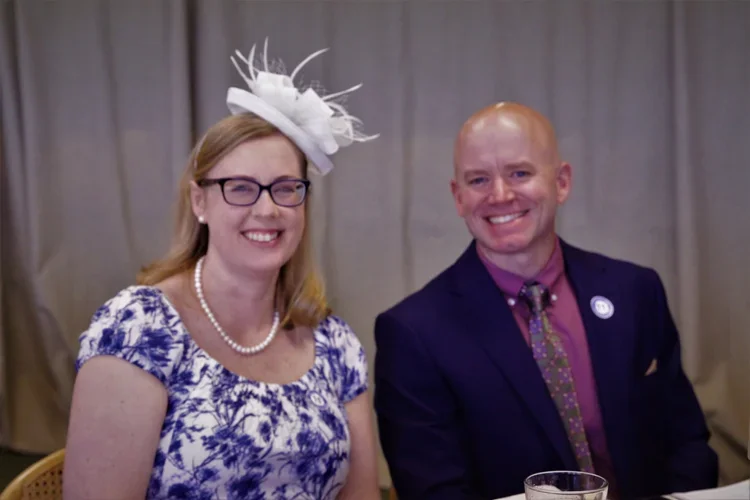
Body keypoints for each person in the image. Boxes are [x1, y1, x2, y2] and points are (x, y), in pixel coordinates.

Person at [63, 40, 380, 500]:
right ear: (200, 201)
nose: (268, 209)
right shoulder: (139, 328)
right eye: (241, 188)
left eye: (286, 188)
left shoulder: (335, 343)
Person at [373, 102, 718, 500]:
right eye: (478, 180)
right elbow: (435, 492)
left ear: (562, 182)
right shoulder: (415, 333)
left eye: (519, 173)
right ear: (458, 197)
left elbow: (686, 442)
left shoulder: (635, 291)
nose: (500, 195)